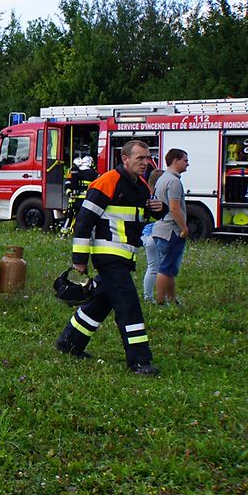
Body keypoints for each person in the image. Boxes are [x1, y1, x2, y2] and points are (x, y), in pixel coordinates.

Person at [54, 139, 165, 376]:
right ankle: (139, 361)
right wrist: (79, 259)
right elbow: (83, 222)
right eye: (140, 158)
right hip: (108, 255)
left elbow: (141, 218)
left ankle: (69, 342)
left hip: (124, 255)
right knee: (128, 305)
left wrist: (159, 209)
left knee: (100, 302)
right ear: (125, 159)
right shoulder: (107, 182)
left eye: (147, 158)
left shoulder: (141, 186)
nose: (146, 162)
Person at [152, 149, 190, 305]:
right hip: (171, 230)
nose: (188, 164)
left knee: (170, 269)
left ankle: (172, 300)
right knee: (166, 268)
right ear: (175, 160)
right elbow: (174, 208)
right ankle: (161, 302)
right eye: (185, 160)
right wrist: (184, 228)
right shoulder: (174, 182)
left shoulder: (162, 178)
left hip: (161, 228)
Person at [140, 167, 166, 303]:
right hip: (157, 234)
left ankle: (148, 297)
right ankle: (158, 297)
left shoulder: (146, 196)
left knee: (152, 267)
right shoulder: (160, 198)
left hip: (146, 234)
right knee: (160, 268)